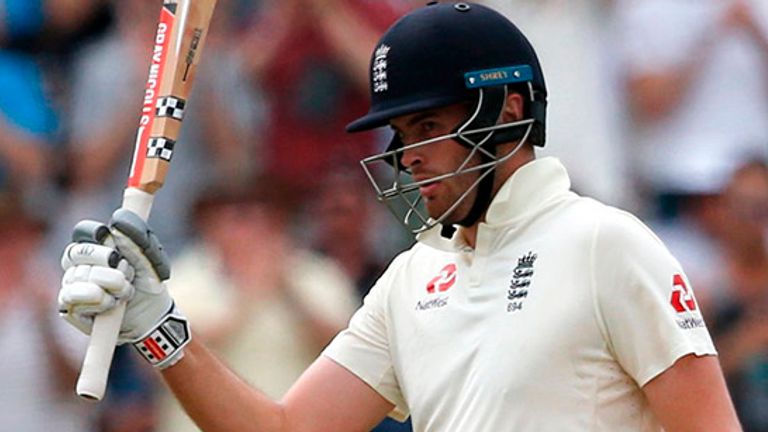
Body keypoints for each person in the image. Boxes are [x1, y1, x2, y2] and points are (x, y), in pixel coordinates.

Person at [57, 3, 741, 431]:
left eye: (428, 125)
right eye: (400, 132)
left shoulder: (606, 245)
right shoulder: (413, 278)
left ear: (507, 111)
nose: (408, 155)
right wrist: (158, 327)